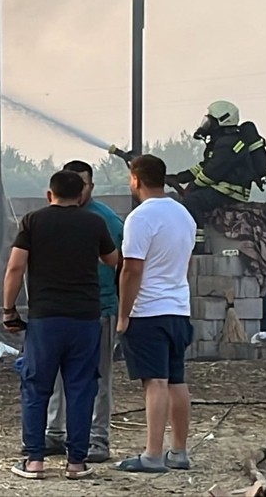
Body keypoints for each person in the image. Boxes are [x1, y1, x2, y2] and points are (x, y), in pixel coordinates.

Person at [2, 171, 120, 480]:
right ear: (81, 195)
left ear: (48, 194)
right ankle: (77, 463)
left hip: (45, 320)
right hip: (85, 319)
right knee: (81, 388)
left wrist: (9, 310)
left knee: (37, 387)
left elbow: (16, 267)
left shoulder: (32, 221)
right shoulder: (95, 223)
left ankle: (34, 461)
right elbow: (113, 260)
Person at [115, 154, 196, 474]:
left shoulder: (140, 217)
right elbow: (186, 262)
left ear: (135, 179)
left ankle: (152, 454)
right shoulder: (183, 214)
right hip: (178, 308)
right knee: (177, 380)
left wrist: (124, 315)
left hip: (149, 311)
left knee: (155, 382)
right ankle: (179, 450)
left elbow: (131, 269)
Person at [44, 160, 123, 463]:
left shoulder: (106, 221)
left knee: (97, 377)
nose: (77, 190)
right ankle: (54, 433)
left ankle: (97, 439)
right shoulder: (50, 219)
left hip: (98, 309)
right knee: (55, 375)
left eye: (83, 184)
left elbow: (124, 263)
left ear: (91, 187)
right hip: (61, 310)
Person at [171, 100, 266, 227]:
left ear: (222, 120)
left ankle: (198, 242)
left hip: (229, 192)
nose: (206, 124)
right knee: (185, 198)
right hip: (222, 189)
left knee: (192, 201)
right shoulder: (221, 142)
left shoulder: (229, 144)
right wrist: (178, 178)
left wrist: (191, 187)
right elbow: (204, 166)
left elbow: (211, 173)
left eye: (210, 121)